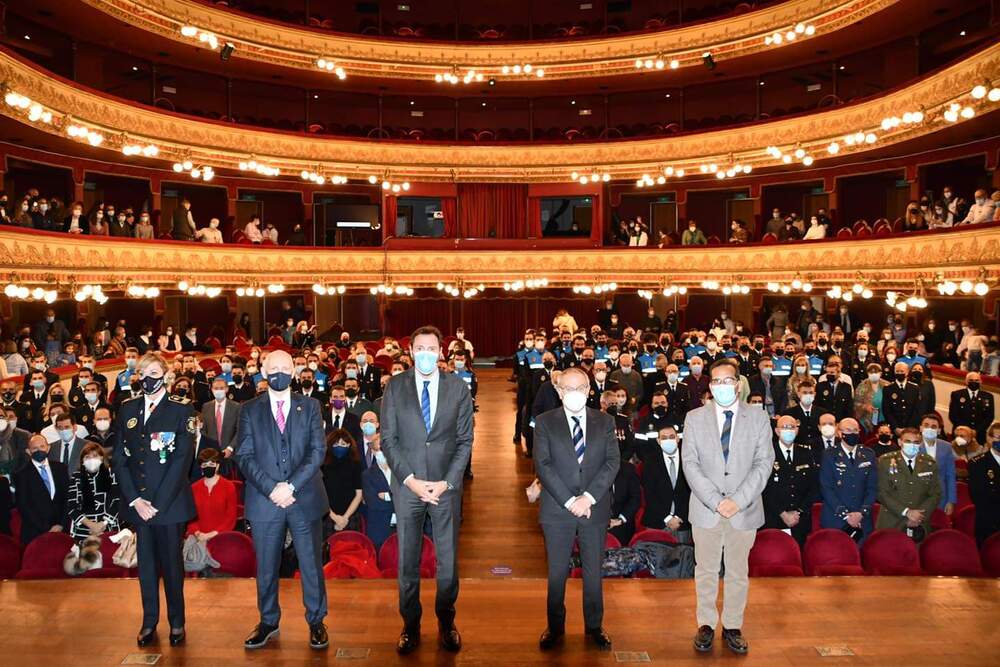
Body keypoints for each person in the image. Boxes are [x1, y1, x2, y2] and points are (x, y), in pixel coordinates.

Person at [379, 326, 474, 655]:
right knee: (407, 561)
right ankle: (410, 624)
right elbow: (388, 440)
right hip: (408, 487)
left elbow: (464, 441)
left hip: (445, 488)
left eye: (431, 348)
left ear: (441, 352)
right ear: (410, 351)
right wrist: (410, 480)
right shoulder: (395, 386)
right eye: (419, 347)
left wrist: (447, 481)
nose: (425, 353)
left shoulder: (458, 387)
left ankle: (446, 621)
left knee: (447, 561)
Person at [235, 349, 330, 651]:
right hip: (266, 501)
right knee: (265, 566)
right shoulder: (249, 409)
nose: (278, 373)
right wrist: (271, 489)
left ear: (294, 370)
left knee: (311, 564)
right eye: (272, 367)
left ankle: (316, 620)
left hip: (304, 496)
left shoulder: (311, 405)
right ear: (263, 372)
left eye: (284, 367)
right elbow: (244, 456)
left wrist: (290, 486)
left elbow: (317, 451)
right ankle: (268, 621)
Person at [682, 359, 773, 655]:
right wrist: (716, 500)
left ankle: (733, 626)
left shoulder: (757, 418)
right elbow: (690, 464)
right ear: (710, 386)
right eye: (717, 382)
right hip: (706, 509)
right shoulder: (694, 418)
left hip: (743, 509)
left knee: (737, 572)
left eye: (728, 381)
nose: (723, 387)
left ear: (738, 384)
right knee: (705, 570)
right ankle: (706, 625)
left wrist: (738, 500)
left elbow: (763, 463)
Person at [112, 352, 196, 647]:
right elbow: (120, 458)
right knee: (146, 568)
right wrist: (135, 500)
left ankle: (177, 622)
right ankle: (149, 622)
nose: (148, 377)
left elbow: (182, 461)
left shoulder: (182, 410)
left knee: (172, 567)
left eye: (154, 372)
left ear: (166, 375)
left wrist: (156, 503)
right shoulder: (127, 409)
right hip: (139, 506)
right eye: (143, 372)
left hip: (169, 506)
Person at [532, 367, 618, 651]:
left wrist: (588, 498)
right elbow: (543, 466)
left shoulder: (604, 422)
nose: (575, 394)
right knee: (557, 573)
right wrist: (571, 502)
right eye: (568, 389)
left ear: (589, 389)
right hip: (558, 510)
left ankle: (594, 626)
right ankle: (555, 627)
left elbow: (611, 463)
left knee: (593, 572)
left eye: (580, 388)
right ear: (559, 392)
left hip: (594, 509)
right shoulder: (545, 422)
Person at [876, 428, 940, 542]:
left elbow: (935, 493)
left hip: (919, 524)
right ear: (900, 442)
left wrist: (918, 515)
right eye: (908, 441)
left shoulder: (929, 463)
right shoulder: (885, 461)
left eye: (916, 442)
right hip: (891, 520)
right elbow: (881, 492)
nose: (912, 445)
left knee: (915, 557)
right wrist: (906, 512)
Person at [819, 417, 877, 542]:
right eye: (848, 430)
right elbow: (826, 488)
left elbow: (872, 487)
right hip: (835, 519)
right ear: (839, 433)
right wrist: (845, 515)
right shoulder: (829, 454)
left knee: (861, 558)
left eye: (855, 430)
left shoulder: (868, 454)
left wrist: (861, 513)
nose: (852, 433)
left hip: (862, 520)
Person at [763, 416, 818, 545]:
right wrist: (782, 513)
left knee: (798, 558)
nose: (789, 430)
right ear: (777, 431)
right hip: (774, 518)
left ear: (797, 431)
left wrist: (798, 512)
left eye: (792, 427)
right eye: (785, 427)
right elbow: (764, 488)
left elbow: (813, 486)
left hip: (799, 520)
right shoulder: (767, 453)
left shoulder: (806, 453)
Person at [13, 434, 69, 545]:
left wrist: (61, 524)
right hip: (35, 533)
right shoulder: (21, 474)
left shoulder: (61, 468)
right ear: (28, 451)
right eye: (35, 448)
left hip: (62, 530)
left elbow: (68, 497)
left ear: (48, 448)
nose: (39, 450)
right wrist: (47, 528)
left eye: (42, 446)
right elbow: (23, 506)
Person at [639, 425, 691, 542]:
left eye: (672, 437)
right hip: (657, 521)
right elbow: (649, 493)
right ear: (658, 441)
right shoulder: (650, 461)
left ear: (678, 438)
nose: (668, 440)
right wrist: (667, 518)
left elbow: (692, 492)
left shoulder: (689, 459)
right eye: (664, 437)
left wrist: (678, 516)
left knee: (682, 557)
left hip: (682, 521)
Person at [66, 442, 120, 540]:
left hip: (108, 528)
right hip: (83, 531)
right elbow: (72, 506)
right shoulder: (76, 477)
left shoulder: (111, 474)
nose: (91, 459)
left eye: (95, 456)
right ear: (82, 460)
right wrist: (92, 525)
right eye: (87, 457)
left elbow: (117, 501)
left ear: (102, 458)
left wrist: (102, 524)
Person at [187, 448, 237, 540]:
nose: (208, 467)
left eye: (211, 464)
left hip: (222, 537)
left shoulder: (228, 486)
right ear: (201, 467)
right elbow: (191, 516)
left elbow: (231, 517)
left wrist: (212, 534)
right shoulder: (194, 488)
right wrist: (197, 533)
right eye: (204, 464)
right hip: (198, 538)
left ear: (217, 466)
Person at [321, 429, 364, 533]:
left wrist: (345, 518)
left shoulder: (356, 464)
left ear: (349, 445)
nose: (339, 446)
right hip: (327, 516)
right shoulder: (322, 465)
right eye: (336, 444)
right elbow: (320, 494)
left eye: (343, 444)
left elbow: (359, 494)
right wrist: (334, 517)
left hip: (351, 516)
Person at [361, 433, 396, 550]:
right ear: (373, 451)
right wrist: (397, 499)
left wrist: (387, 496)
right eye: (379, 449)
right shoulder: (367, 475)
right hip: (379, 530)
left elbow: (409, 497)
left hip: (402, 528)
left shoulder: (402, 471)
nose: (383, 452)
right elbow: (373, 503)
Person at [968, 422, 1000, 545]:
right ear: (989, 438)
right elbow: (979, 497)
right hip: (989, 524)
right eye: (998, 437)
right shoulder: (978, 463)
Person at [918, 414, 957, 516]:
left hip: (941, 498)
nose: (929, 428)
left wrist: (951, 501)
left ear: (939, 430)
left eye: (934, 426)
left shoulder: (947, 447)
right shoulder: (913, 446)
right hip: (919, 499)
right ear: (921, 428)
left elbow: (950, 476)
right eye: (926, 425)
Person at [948, 372, 995, 444]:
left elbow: (989, 417)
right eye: (971, 380)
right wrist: (966, 431)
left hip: (979, 435)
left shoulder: (988, 397)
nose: (974, 382)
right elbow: (953, 416)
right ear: (966, 382)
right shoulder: (957, 395)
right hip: (960, 434)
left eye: (976, 380)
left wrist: (976, 431)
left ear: (981, 382)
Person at [201, 378, 241, 461]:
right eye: (216, 388)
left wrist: (230, 448)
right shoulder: (206, 406)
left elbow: (240, 430)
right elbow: (204, 430)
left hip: (230, 454)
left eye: (221, 388)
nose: (218, 391)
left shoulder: (236, 407)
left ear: (227, 389)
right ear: (212, 390)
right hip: (211, 455)